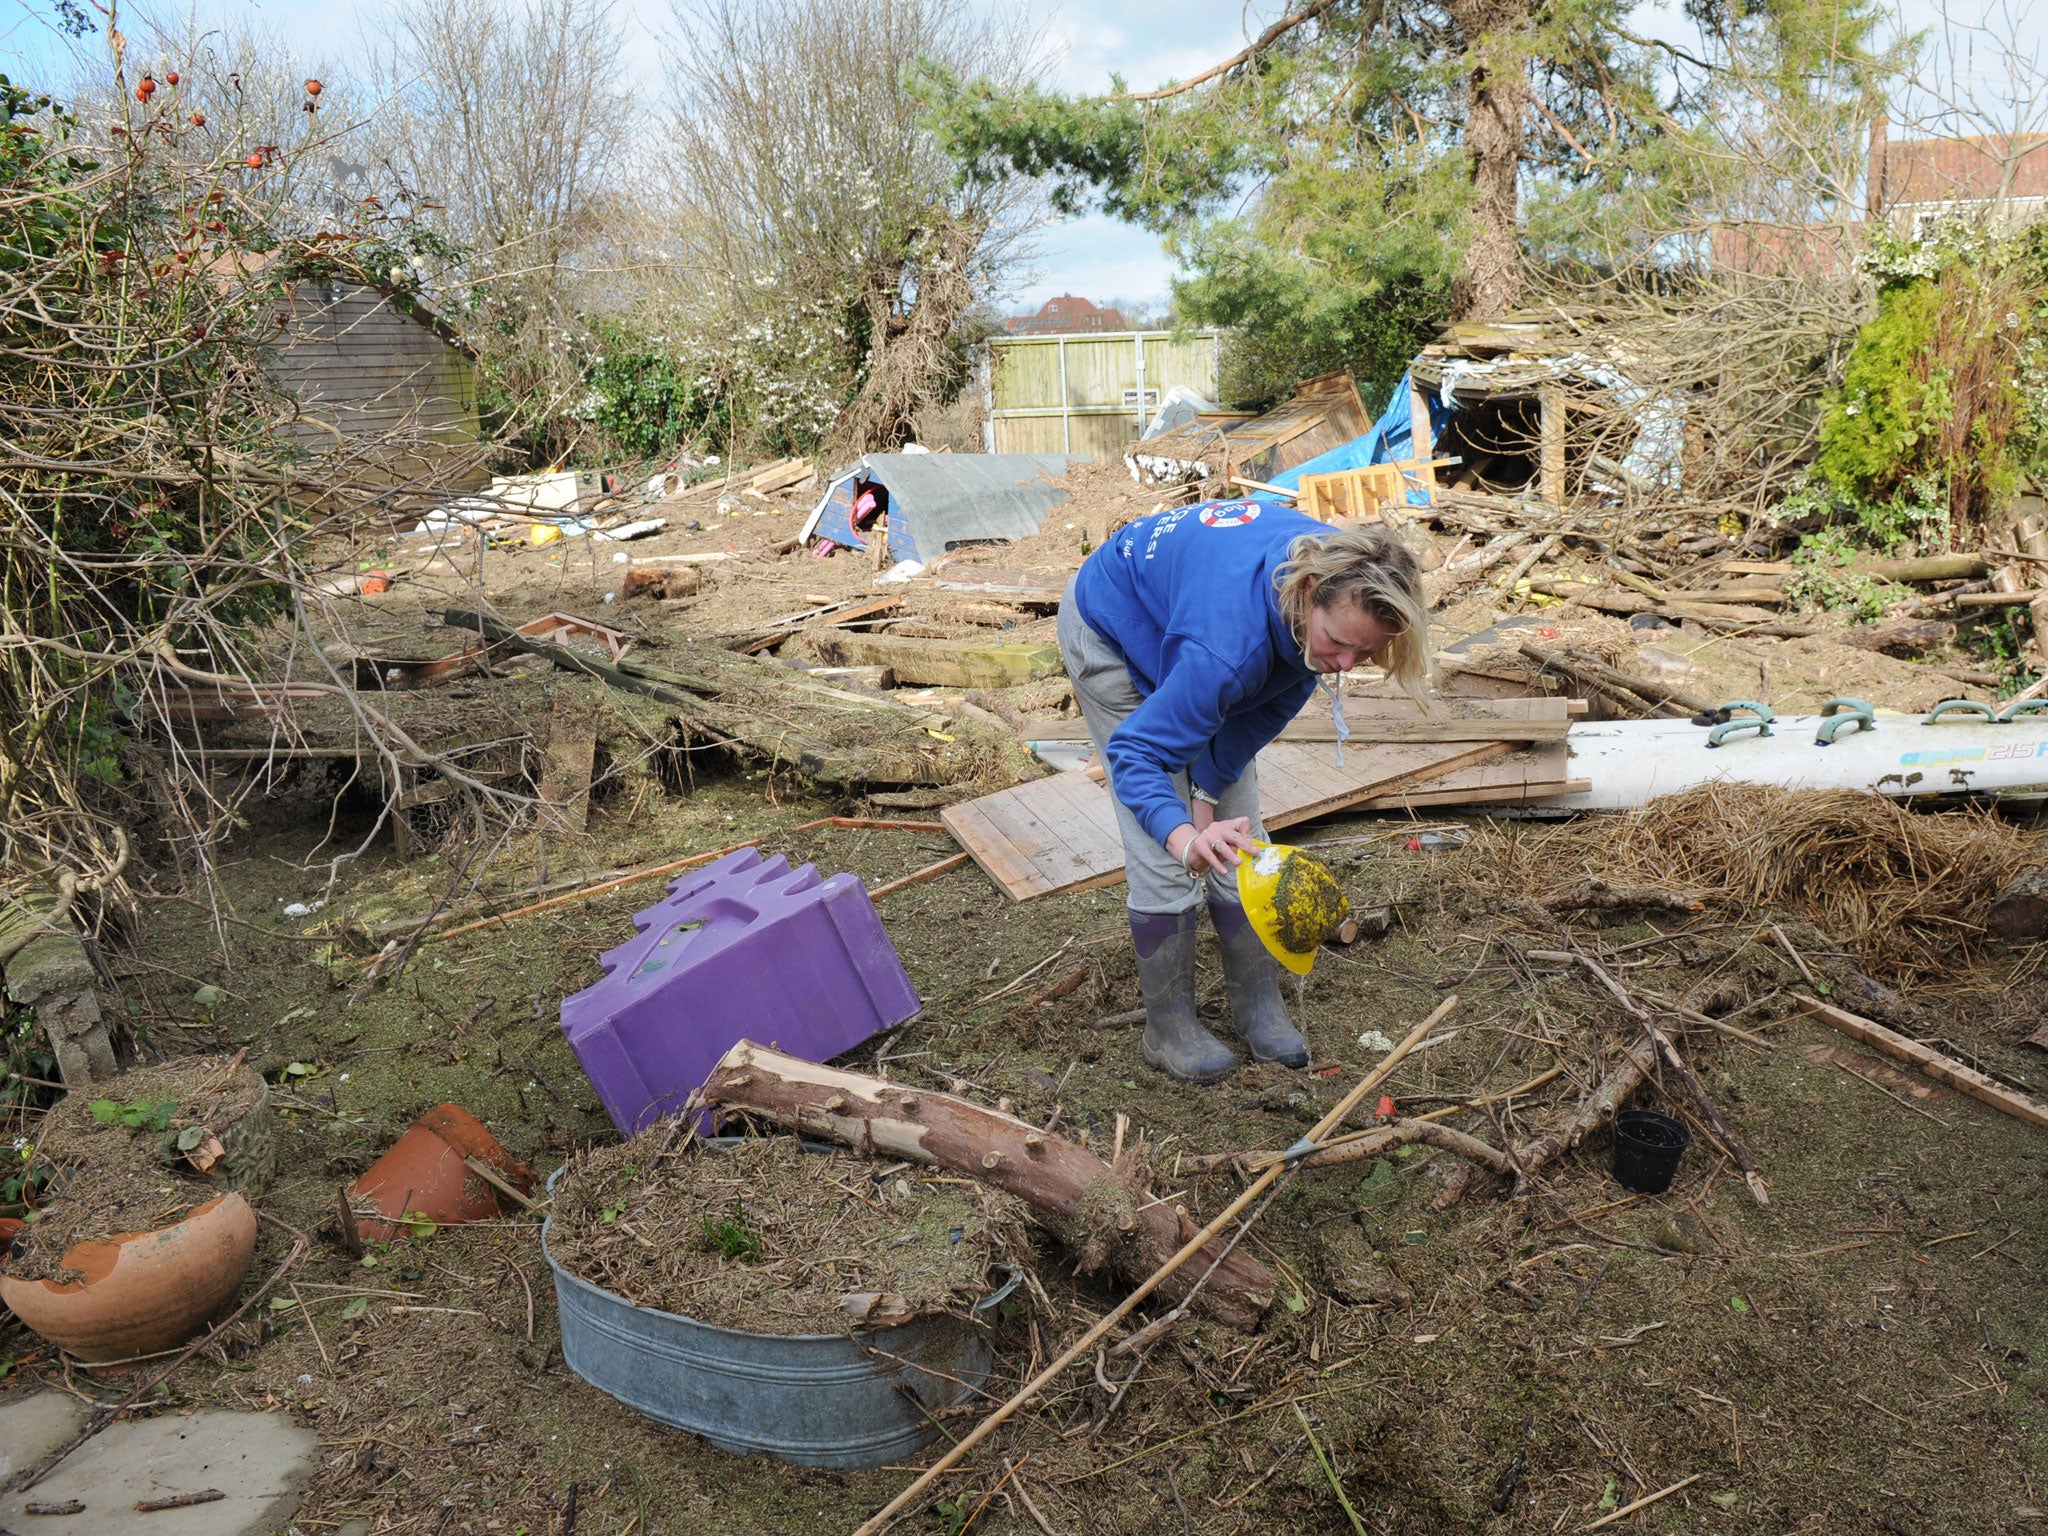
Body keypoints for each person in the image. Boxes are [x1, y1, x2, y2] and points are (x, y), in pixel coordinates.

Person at [1057, 500, 1430, 1083]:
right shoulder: (1226, 646)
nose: (1343, 665)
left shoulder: (1345, 580)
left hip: (1198, 626)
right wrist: (1184, 835)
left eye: (1366, 653)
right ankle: (1169, 1026)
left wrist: (1206, 792)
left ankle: (1257, 1003)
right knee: (1164, 852)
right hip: (1114, 625)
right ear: (1308, 591)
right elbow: (1137, 754)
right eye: (1338, 644)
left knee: (1240, 835)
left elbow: (1262, 708)